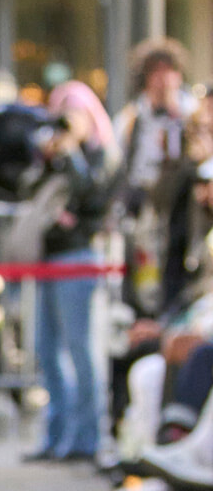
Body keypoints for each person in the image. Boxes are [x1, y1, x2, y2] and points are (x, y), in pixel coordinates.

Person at [21, 81, 116, 464]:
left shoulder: (97, 154)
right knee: (46, 349)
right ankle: (55, 435)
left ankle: (86, 439)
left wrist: (74, 151)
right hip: (47, 257)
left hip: (78, 257)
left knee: (80, 350)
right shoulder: (54, 154)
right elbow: (28, 189)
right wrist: (48, 158)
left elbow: (93, 197)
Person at [114, 38, 197, 316]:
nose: (163, 80)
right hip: (144, 209)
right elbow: (121, 163)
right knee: (143, 281)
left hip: (182, 207)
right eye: (156, 72)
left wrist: (182, 120)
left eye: (169, 71)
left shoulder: (193, 112)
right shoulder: (132, 117)